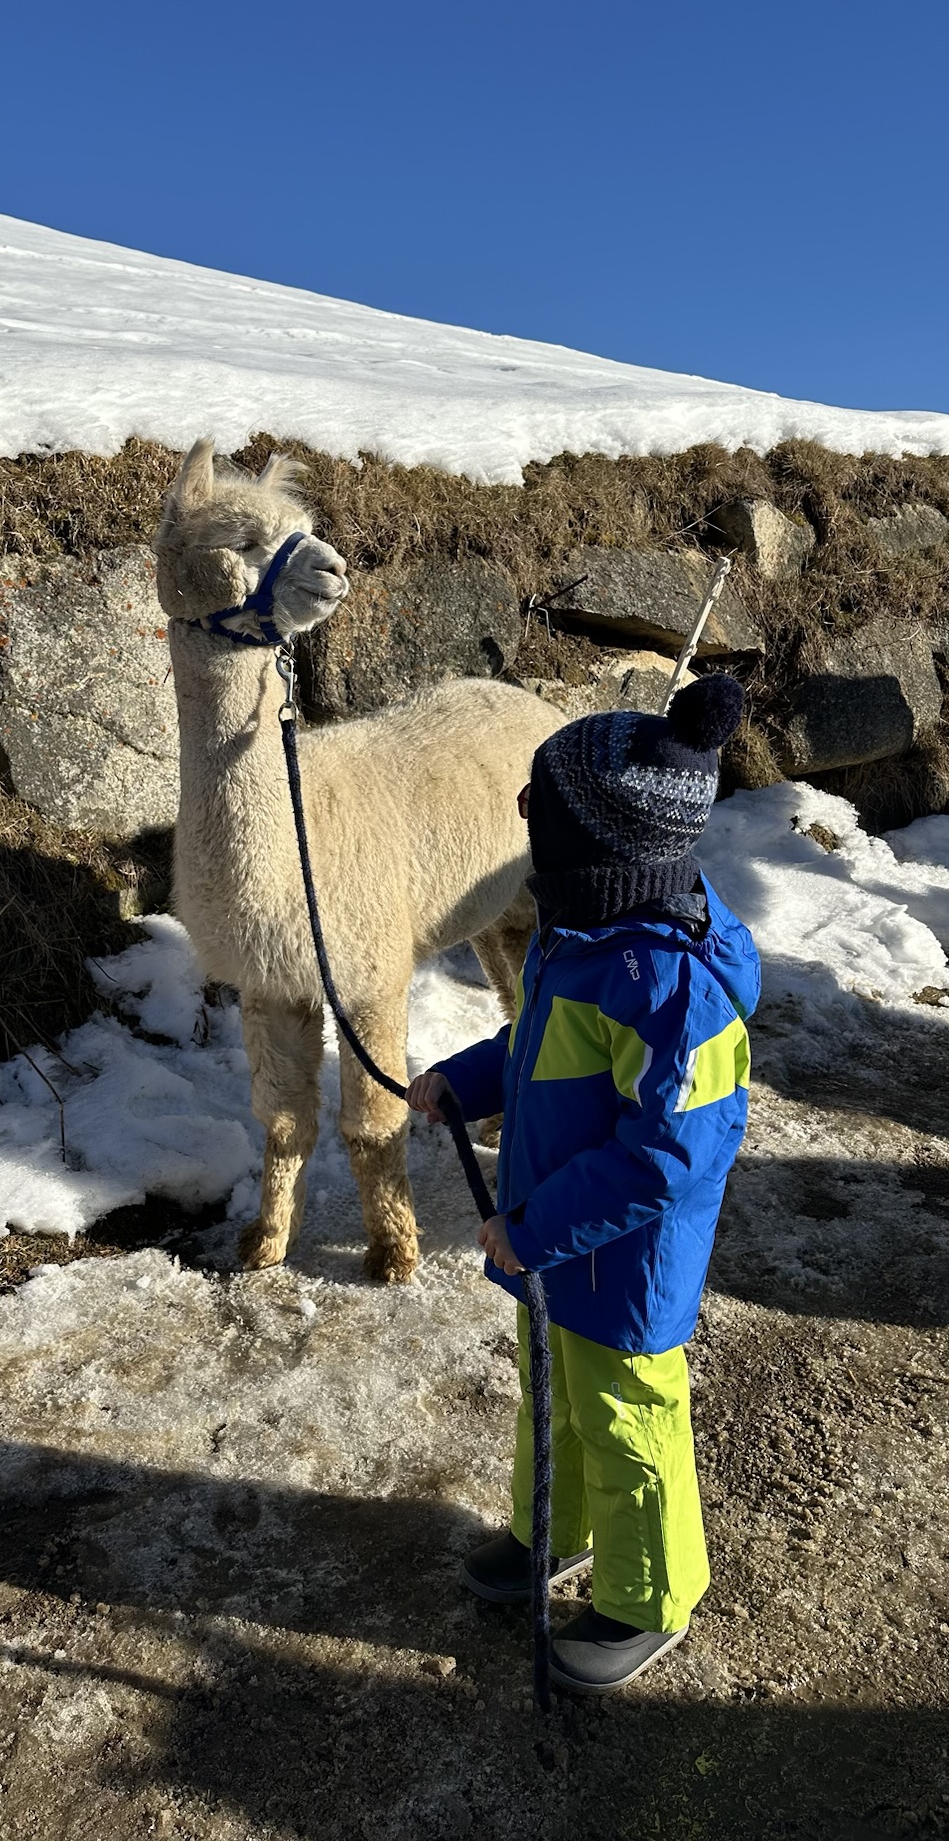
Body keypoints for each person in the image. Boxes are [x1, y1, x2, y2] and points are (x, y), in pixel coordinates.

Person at [407, 673, 760, 1695]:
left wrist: (539, 1225)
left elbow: (674, 1151)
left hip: (618, 1257)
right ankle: (551, 1527)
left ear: (598, 838)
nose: (519, 812)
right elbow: (535, 1045)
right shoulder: (584, 930)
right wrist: (463, 1079)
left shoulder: (673, 984)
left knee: (629, 1418)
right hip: (552, 1237)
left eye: (538, 801)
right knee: (553, 1396)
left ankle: (651, 1593)